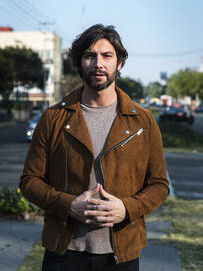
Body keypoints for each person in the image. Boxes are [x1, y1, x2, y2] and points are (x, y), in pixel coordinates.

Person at [20, 24, 169, 271]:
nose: (98, 63)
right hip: (63, 252)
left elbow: (159, 185)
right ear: (79, 64)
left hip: (121, 254)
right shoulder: (53, 118)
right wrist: (69, 205)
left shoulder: (142, 121)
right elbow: (30, 181)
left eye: (107, 56)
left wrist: (127, 208)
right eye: (90, 56)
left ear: (119, 64)